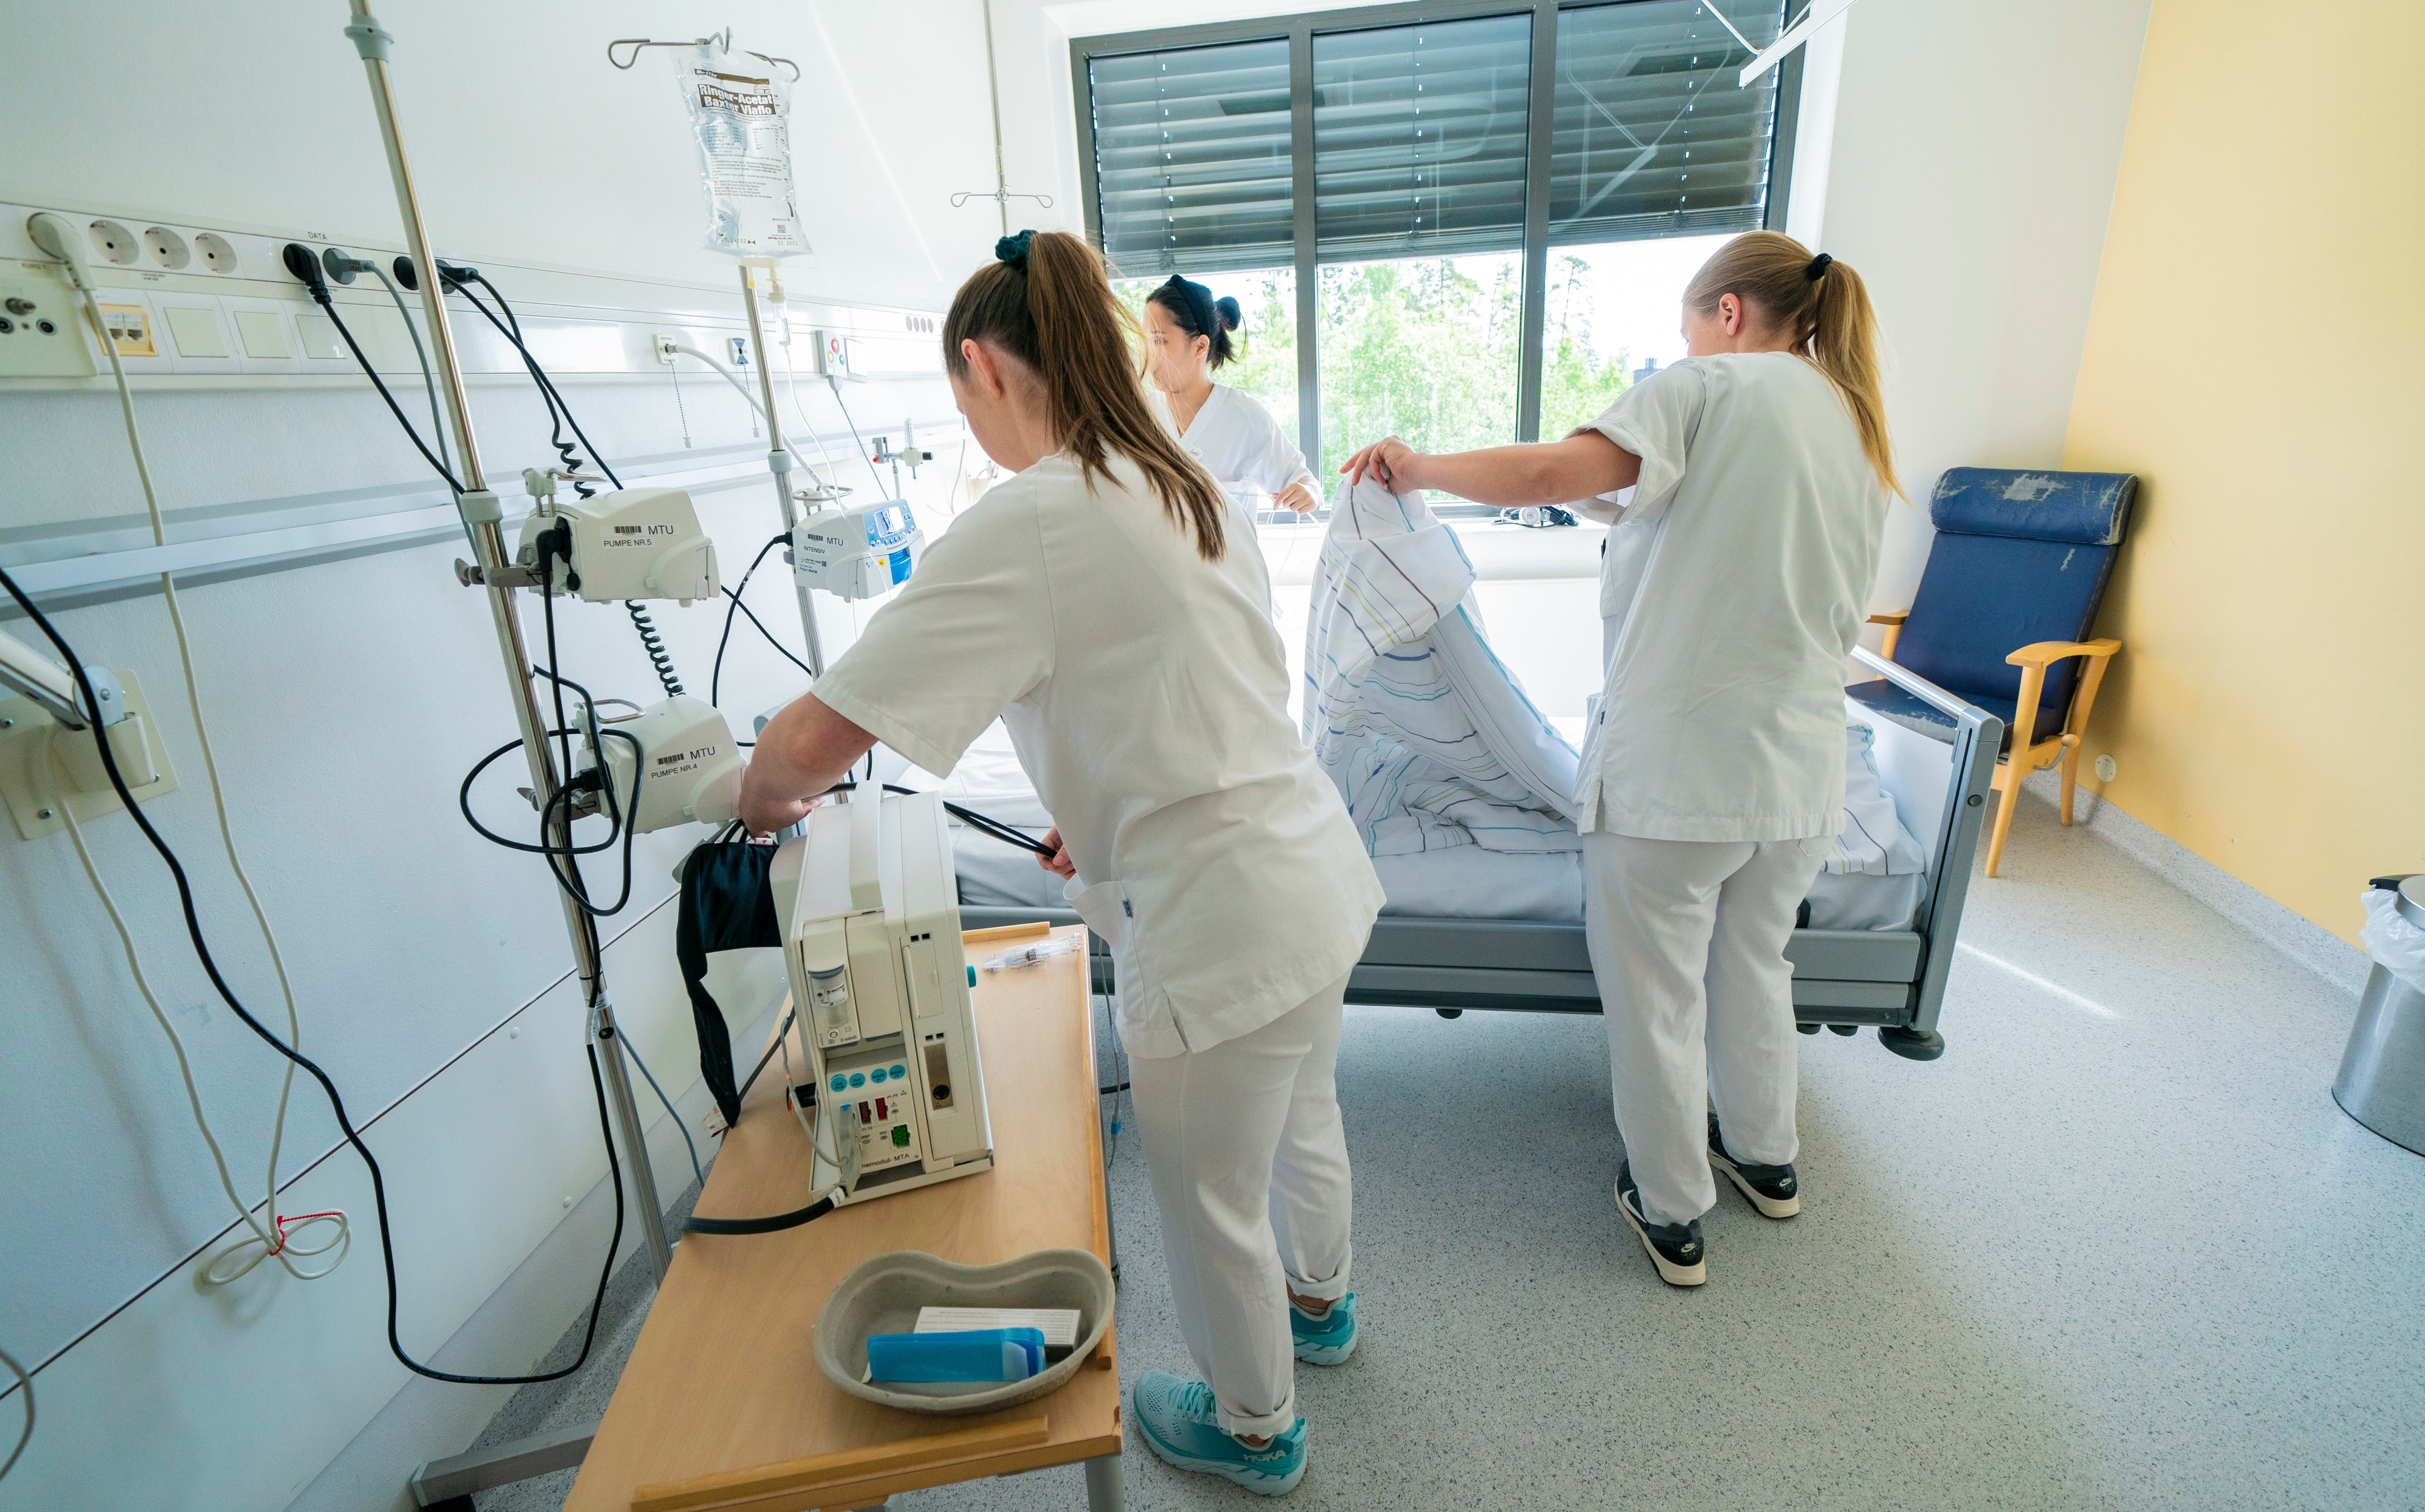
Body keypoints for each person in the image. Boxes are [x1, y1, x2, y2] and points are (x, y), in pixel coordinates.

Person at [740, 229, 1384, 1492]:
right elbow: (1195, 685)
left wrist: (757, 793)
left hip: (1217, 920)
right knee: (1304, 1114)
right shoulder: (1182, 481)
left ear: (983, 367)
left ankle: (1256, 1426)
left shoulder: (1030, 515)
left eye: (959, 400)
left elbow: (815, 739)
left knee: (1208, 1202)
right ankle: (1324, 1304)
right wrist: (1103, 814)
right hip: (1311, 866)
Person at [1339, 231, 1895, 1289]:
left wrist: (1418, 467)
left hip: (1680, 776)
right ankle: (1766, 1159)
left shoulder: (1705, 385)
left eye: (1689, 323)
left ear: (1727, 312)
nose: (1683, 343)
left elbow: (1554, 471)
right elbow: (1659, 503)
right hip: (1798, 773)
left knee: (1656, 995)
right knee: (1753, 966)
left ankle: (1671, 1207)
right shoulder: (1852, 419)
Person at [1143, 274, 1320, 516]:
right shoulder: (1138, 415)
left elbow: (1302, 479)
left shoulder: (1244, 415)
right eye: (1145, 341)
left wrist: (1309, 493)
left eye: (1159, 341)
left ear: (1200, 346)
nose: (1147, 353)